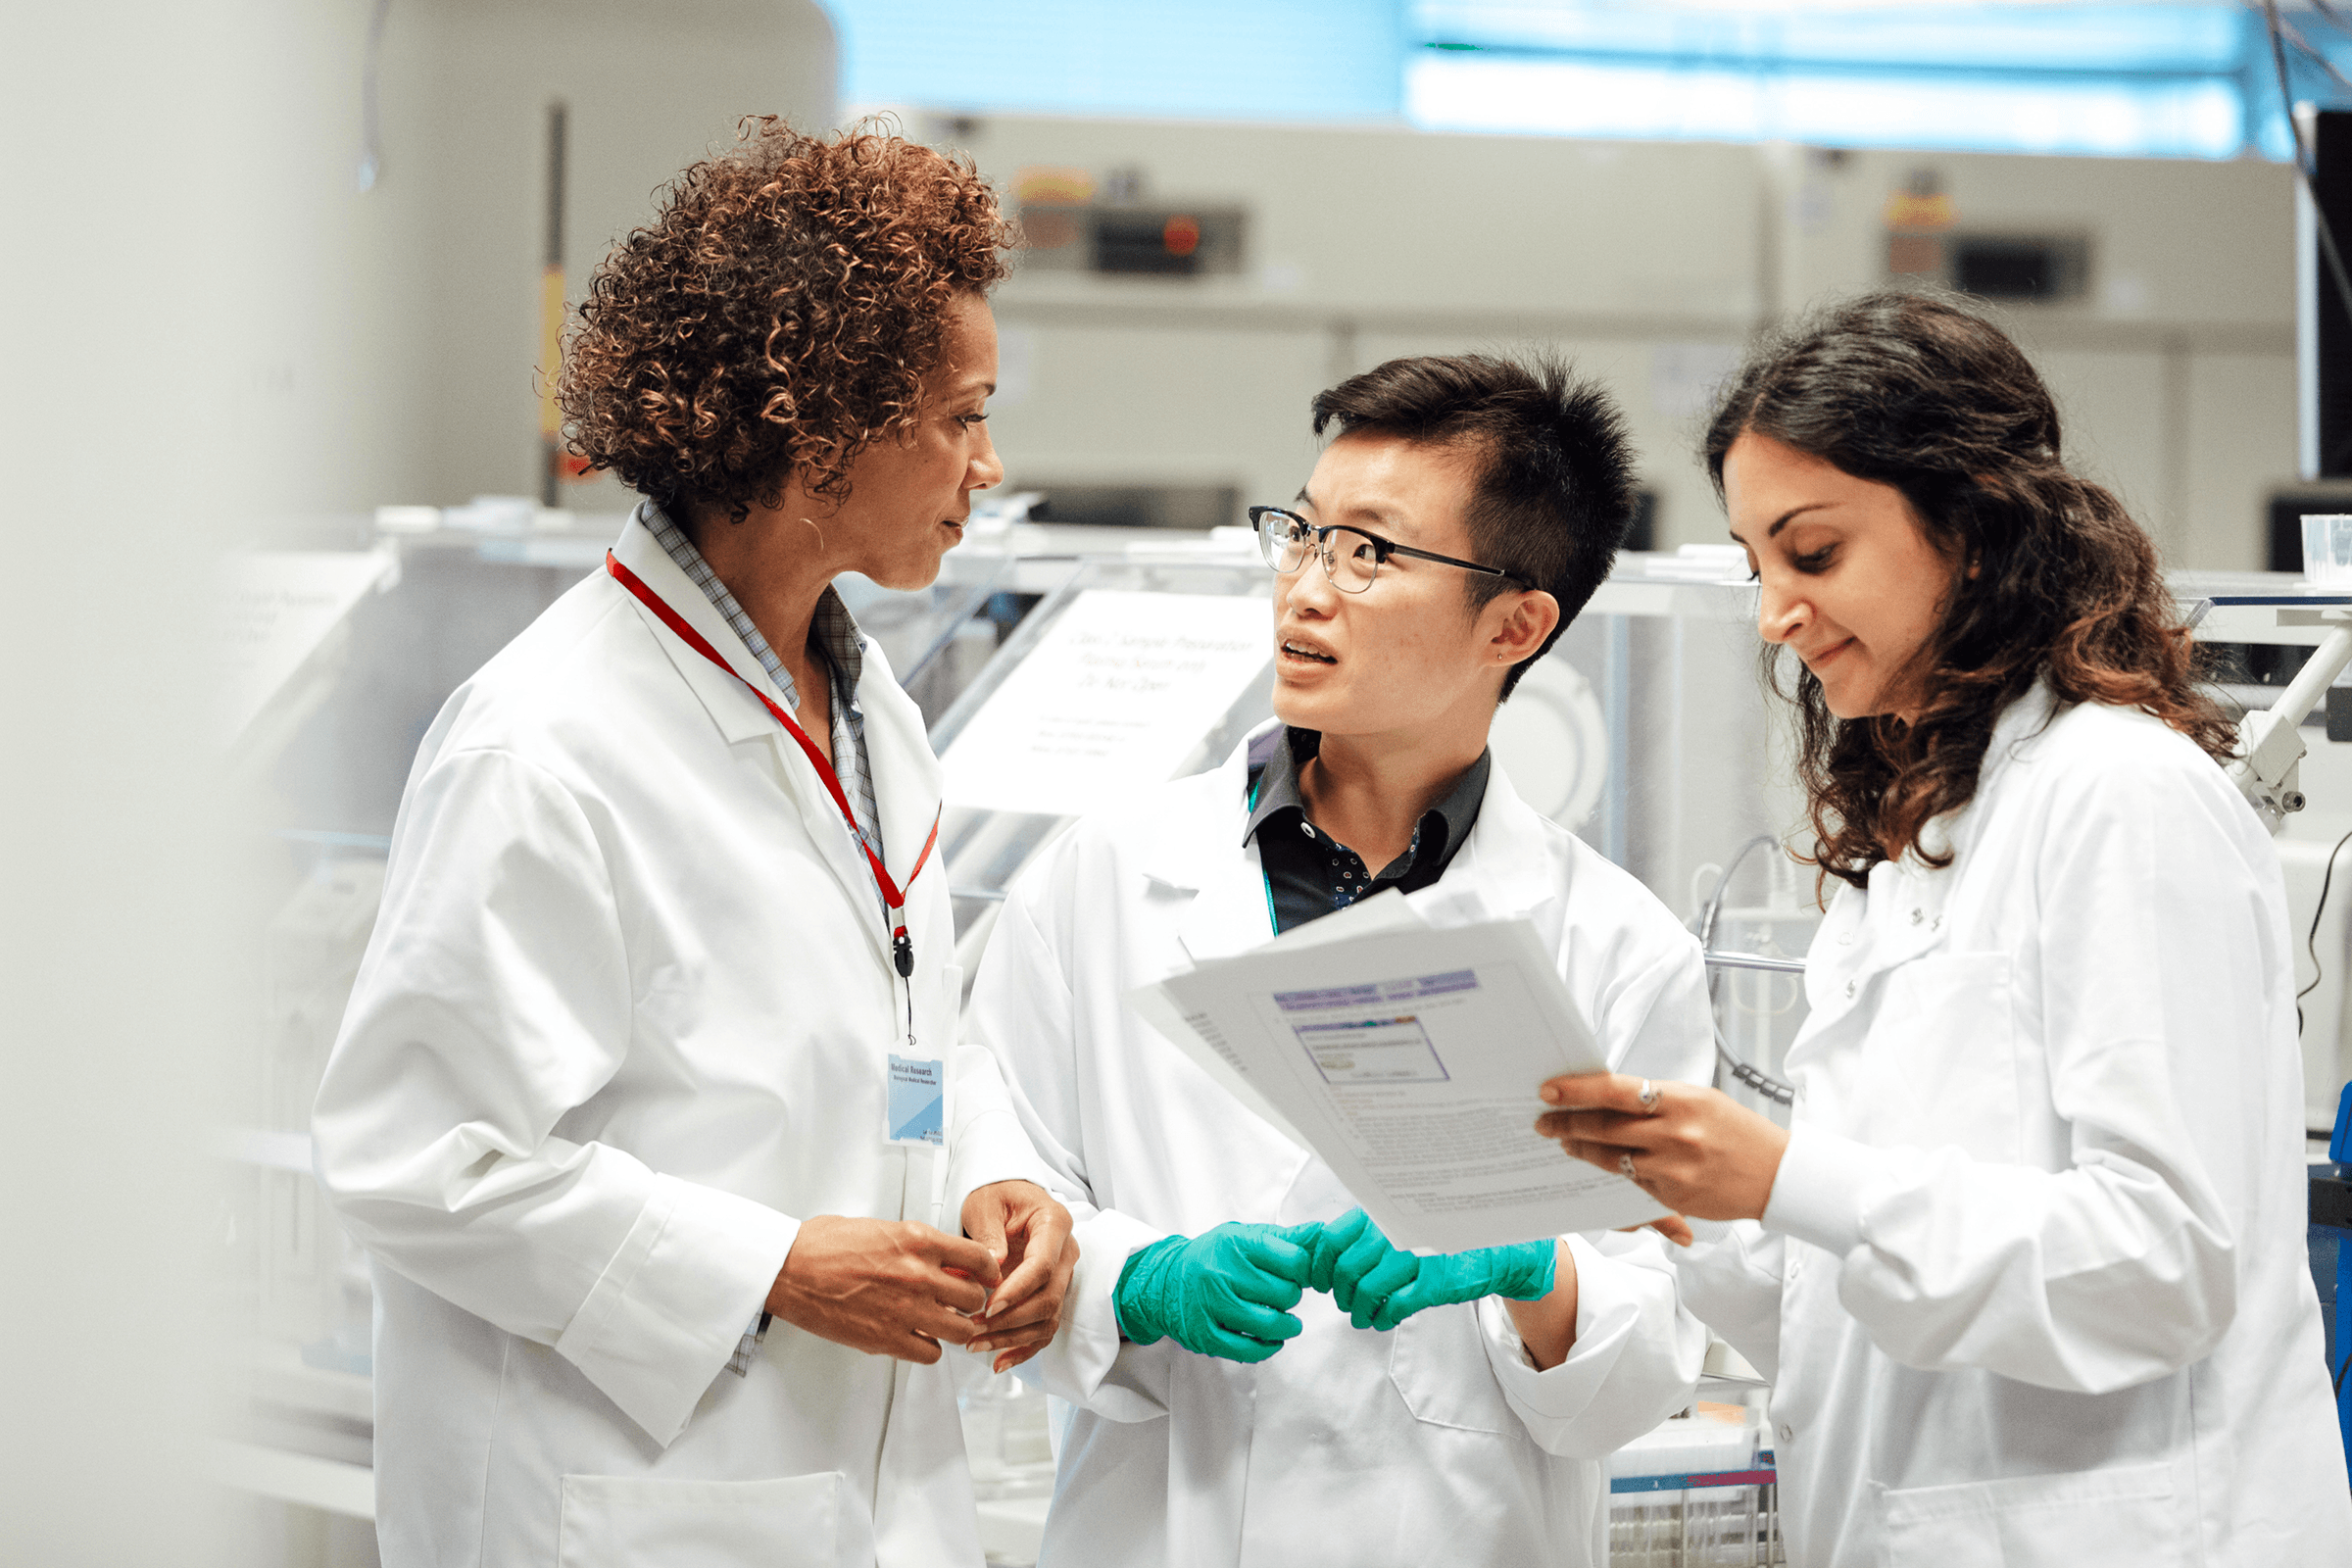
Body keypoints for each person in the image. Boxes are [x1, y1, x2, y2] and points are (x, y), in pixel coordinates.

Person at [313, 122, 1076, 1568]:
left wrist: (987, 1171)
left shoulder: (869, 711)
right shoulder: (546, 743)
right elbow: (412, 1156)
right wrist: (772, 1265)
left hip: (849, 1479)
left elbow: (911, 1033)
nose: (989, 462)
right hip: (615, 1499)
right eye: (961, 417)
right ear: (820, 425)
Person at [1539, 291, 2352, 1566]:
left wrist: (1784, 1175)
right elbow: (1848, 1294)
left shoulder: (2118, 797)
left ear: (1971, 527)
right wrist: (1657, 1196)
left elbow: (2162, 1263)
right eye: (1757, 566)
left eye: (1812, 554)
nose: (1773, 616)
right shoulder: (1916, 846)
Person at [963, 354, 1713, 1566]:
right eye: (1301, 535)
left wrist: (1533, 1267)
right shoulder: (1100, 876)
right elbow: (988, 1181)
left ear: (1515, 623)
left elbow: (1655, 1354)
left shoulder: (1619, 950)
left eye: (1369, 553)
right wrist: (1133, 1279)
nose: (1306, 590)